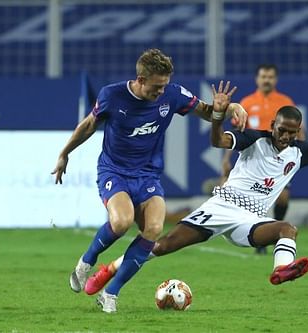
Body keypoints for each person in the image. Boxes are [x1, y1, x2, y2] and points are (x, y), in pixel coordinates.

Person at [83, 83, 308, 299]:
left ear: (298, 132)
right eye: (281, 130)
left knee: (288, 228)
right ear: (272, 124)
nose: (285, 137)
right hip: (221, 208)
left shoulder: (301, 151)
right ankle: (110, 269)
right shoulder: (253, 139)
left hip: (251, 220)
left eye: (291, 133)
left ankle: (281, 271)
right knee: (162, 246)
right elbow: (218, 141)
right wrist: (218, 117)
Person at [51, 49, 247, 313]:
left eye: (164, 85)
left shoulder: (173, 94)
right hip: (114, 171)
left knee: (153, 230)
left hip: (147, 174)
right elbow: (88, 125)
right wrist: (65, 154)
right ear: (140, 80)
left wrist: (227, 108)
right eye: (156, 87)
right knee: (121, 221)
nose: (160, 92)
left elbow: (207, 111)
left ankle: (111, 293)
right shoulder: (112, 95)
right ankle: (86, 262)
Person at [222, 64, 305, 254]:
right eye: (263, 76)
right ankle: (258, 238)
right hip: (254, 160)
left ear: (275, 79)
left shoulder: (285, 101)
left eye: (270, 77)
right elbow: (237, 133)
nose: (266, 80)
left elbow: (298, 129)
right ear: (257, 79)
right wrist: (227, 159)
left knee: (283, 198)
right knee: (255, 197)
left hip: (280, 159)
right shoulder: (248, 102)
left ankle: (276, 232)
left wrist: (302, 151)